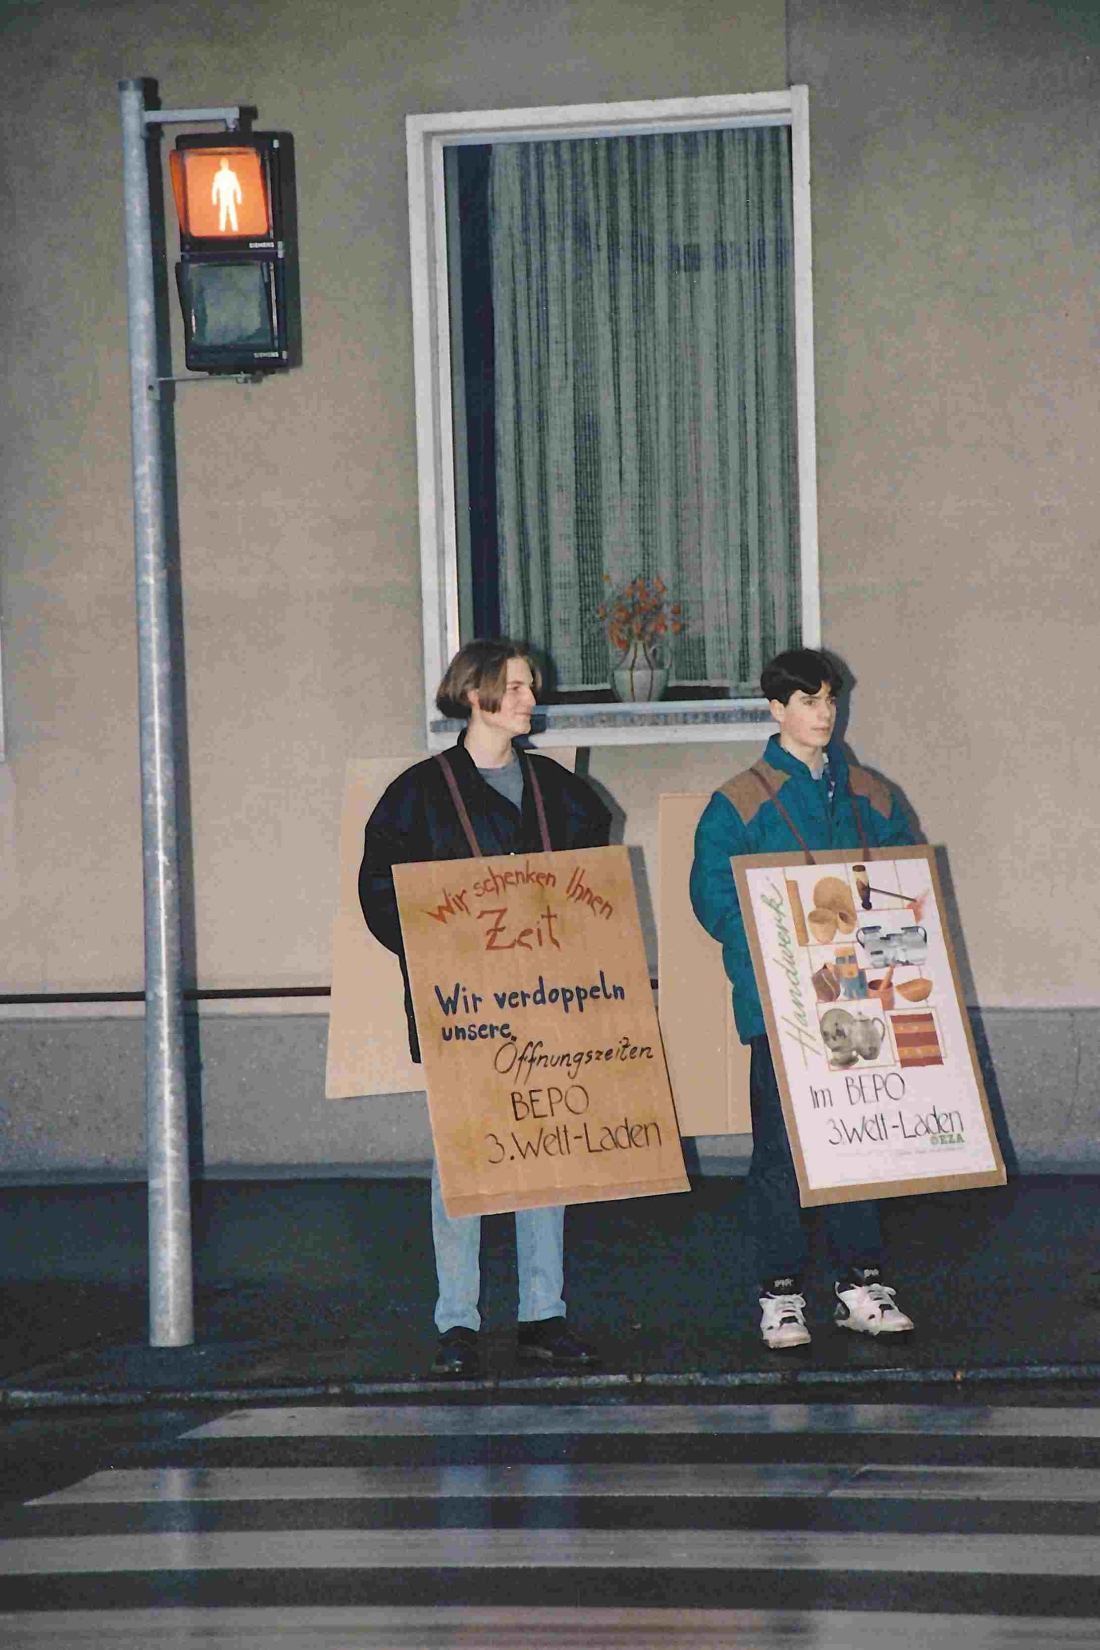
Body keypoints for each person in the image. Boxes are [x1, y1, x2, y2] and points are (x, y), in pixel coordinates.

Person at [359, 639, 611, 1379]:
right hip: (462, 1007)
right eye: (520, 687)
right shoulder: (414, 797)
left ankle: (543, 1313)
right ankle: (457, 1321)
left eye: (531, 687)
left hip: (544, 1004)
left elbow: (594, 898)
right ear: (476, 695)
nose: (533, 699)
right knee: (461, 1165)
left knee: (548, 1156)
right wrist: (446, 953)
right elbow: (383, 896)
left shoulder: (564, 796)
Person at [690, 648, 917, 1351]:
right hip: (781, 1004)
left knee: (863, 1136)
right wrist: (778, 955)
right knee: (783, 1151)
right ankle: (780, 1294)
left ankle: (860, 1283)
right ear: (775, 710)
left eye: (829, 700)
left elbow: (906, 876)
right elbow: (713, 896)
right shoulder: (737, 801)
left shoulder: (871, 793)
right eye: (808, 700)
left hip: (861, 1001)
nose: (823, 713)